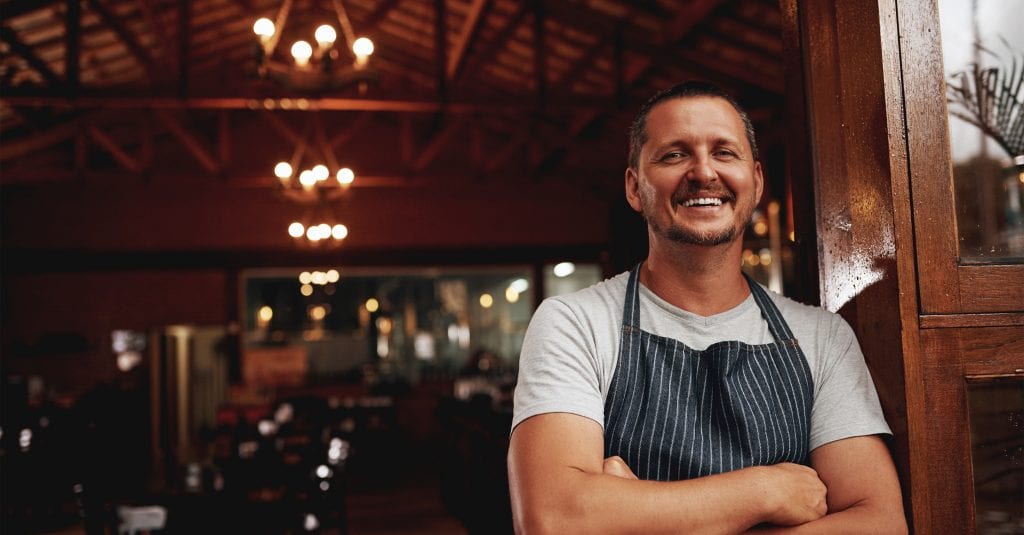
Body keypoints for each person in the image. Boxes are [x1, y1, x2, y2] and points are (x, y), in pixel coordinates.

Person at [507, 81, 906, 534]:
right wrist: (767, 491)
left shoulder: (821, 336)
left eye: (724, 152)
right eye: (674, 154)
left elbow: (879, 522)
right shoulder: (575, 324)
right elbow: (554, 519)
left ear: (755, 183)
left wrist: (632, 515)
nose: (703, 172)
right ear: (635, 188)